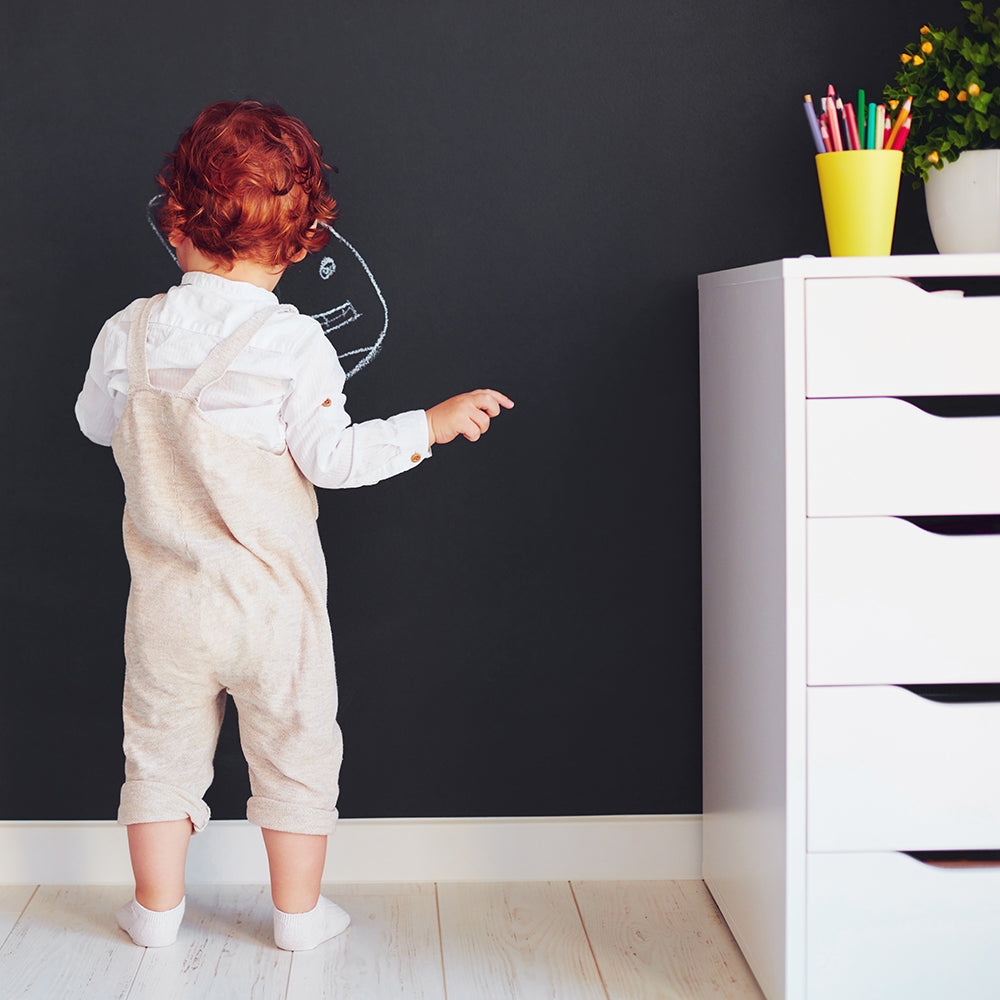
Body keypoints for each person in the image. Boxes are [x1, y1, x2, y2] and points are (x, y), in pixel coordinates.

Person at [75, 100, 513, 952]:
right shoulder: (294, 341)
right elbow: (335, 460)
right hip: (274, 607)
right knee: (296, 753)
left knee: (159, 758)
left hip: (167, 605)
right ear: (304, 241)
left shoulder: (124, 333)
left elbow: (97, 424)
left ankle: (157, 915)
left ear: (176, 221)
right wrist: (429, 422)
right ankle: (299, 916)